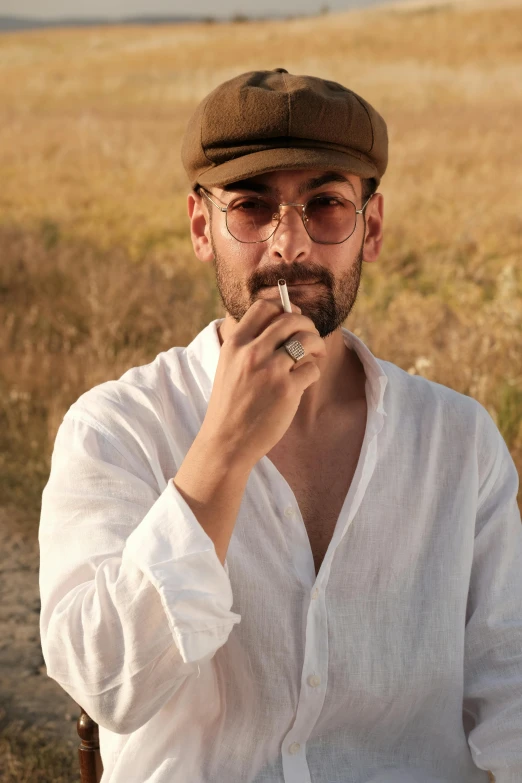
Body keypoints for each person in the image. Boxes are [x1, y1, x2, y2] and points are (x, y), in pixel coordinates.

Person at [39, 69, 521, 783]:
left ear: (372, 228)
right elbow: (106, 685)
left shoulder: (458, 440)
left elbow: (509, 683)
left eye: (325, 204)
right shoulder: (116, 428)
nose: (287, 244)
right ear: (203, 229)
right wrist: (220, 455)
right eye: (251, 207)